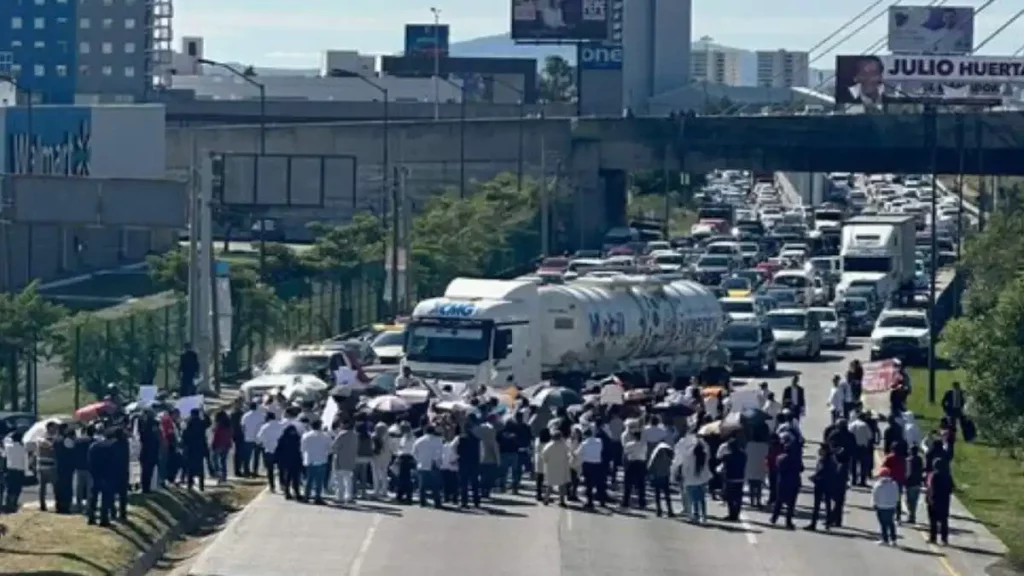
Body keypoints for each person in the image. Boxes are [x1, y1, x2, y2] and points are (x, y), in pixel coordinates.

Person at [676, 429, 712, 524]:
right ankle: (704, 517)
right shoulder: (704, 454)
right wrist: (701, 440)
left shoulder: (689, 455)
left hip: (691, 480)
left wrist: (682, 476)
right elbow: (707, 450)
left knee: (694, 499)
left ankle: (696, 516)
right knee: (702, 499)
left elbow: (685, 467)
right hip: (703, 479)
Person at [771, 436, 802, 530]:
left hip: (782, 481)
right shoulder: (796, 459)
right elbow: (801, 468)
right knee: (791, 503)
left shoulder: (779, 458)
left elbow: (777, 468)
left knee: (779, 501)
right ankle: (788, 521)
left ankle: (774, 518)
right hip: (794, 481)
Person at [806, 444, 839, 531]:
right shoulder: (828, 459)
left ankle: (815, 524)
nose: (820, 451)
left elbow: (822, 472)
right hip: (826, 484)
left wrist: (814, 477)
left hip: (822, 484)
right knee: (826, 504)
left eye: (822, 449)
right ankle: (826, 523)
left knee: (818, 505)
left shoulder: (826, 461)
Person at [412, 424, 443, 508]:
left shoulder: (419, 440)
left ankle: (422, 502)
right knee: (435, 485)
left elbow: (414, 453)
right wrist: (437, 461)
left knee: (422, 485)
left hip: (422, 464)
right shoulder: (438, 440)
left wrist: (419, 460)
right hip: (434, 464)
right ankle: (437, 502)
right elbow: (440, 453)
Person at [300, 420, 331, 504]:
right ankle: (317, 497)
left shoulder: (306, 435)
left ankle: (306, 496)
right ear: (320, 426)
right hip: (321, 459)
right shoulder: (326, 436)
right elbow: (329, 449)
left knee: (309, 479)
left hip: (310, 459)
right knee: (319, 480)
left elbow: (302, 448)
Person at [575, 426, 605, 508]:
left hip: (588, 464)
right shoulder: (599, 441)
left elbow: (577, 454)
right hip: (598, 464)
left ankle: (590, 502)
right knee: (599, 483)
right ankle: (602, 501)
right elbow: (601, 450)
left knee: (589, 484)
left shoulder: (584, 444)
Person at [926, 457, 954, 545]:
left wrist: (929, 498)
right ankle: (944, 539)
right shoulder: (948, 476)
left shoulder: (933, 475)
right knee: (944, 520)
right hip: (945, 500)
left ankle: (933, 538)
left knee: (933, 520)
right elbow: (951, 489)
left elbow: (931, 488)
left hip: (935, 499)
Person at [718, 437, 747, 521]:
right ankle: (736, 514)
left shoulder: (727, 456)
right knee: (738, 497)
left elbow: (721, 462)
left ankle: (731, 514)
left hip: (730, 478)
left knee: (730, 498)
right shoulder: (743, 455)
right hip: (740, 478)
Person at [331, 419, 358, 504]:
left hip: (340, 459)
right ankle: (349, 496)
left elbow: (334, 446)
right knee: (348, 479)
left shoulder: (342, 434)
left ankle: (340, 497)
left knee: (339, 479)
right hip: (351, 459)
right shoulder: (355, 435)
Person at [541, 430, 571, 507]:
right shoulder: (564, 446)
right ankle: (562, 501)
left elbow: (544, 457)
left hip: (551, 467)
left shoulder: (548, 446)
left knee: (550, 485)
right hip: (561, 467)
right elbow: (568, 455)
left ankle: (546, 499)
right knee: (562, 485)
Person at [872, 467, 900, 546]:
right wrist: (895, 503)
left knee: (883, 523)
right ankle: (893, 540)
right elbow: (897, 496)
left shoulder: (878, 484)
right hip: (891, 506)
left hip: (881, 506)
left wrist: (874, 504)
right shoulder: (894, 484)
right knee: (891, 523)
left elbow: (875, 495)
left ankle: (885, 539)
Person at [257, 412, 285, 492]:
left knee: (270, 469)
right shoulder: (281, 425)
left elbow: (259, 438)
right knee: (281, 468)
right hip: (280, 450)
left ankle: (272, 486)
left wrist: (263, 443)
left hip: (269, 450)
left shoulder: (265, 427)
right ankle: (282, 484)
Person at [456, 423, 482, 508]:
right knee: (475, 483)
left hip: (463, 463)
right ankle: (476, 501)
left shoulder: (461, 439)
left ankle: (464, 502)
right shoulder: (477, 439)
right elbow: (479, 452)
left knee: (464, 483)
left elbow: (458, 451)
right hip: (474, 463)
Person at [621, 428, 647, 509]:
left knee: (628, 484)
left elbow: (625, 452)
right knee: (641, 484)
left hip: (632, 463)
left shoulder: (630, 444)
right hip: (641, 464)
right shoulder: (644, 444)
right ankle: (642, 502)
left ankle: (625, 502)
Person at [647, 440, 674, 517]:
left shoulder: (656, 452)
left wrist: (649, 473)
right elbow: (672, 462)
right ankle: (670, 510)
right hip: (665, 475)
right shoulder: (669, 451)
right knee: (667, 494)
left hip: (657, 475)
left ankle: (659, 510)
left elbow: (651, 463)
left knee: (657, 494)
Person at [275, 424, 303, 500]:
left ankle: (296, 492)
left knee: (296, 478)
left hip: (295, 460)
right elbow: (278, 450)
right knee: (288, 478)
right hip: (287, 461)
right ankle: (287, 493)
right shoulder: (283, 439)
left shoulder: (297, 438)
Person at [2, 430, 27, 513]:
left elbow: (5, 440)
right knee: (17, 489)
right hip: (20, 471)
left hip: (10, 470)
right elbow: (25, 461)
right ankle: (13, 504)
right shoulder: (23, 448)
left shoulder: (9, 446)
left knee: (10, 489)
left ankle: (8, 504)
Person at [241, 402, 266, 477]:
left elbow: (243, 427)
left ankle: (246, 471)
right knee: (256, 456)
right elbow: (263, 426)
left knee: (247, 456)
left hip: (248, 438)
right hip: (258, 439)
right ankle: (255, 471)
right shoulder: (261, 415)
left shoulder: (245, 416)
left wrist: (245, 434)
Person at [849, 412, 874, 486]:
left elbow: (849, 434)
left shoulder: (852, 424)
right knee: (863, 465)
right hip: (863, 447)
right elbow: (870, 436)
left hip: (854, 447)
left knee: (853, 464)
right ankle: (862, 481)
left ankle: (853, 480)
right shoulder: (865, 425)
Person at [369, 422, 393, 499]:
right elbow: (390, 448)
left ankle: (376, 491)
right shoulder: (388, 437)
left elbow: (371, 447)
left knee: (376, 474)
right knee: (384, 474)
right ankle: (384, 491)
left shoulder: (373, 436)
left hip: (375, 457)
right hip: (385, 457)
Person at [210, 411, 233, 484]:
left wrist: (213, 445)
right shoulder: (228, 425)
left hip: (218, 445)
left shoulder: (219, 426)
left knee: (215, 460)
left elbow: (216, 436)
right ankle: (224, 475)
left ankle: (219, 474)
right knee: (223, 461)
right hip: (226, 445)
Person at [905, 444, 925, 524]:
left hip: (910, 483)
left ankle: (911, 516)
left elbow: (908, 472)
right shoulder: (920, 459)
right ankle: (913, 515)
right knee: (915, 500)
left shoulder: (908, 460)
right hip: (918, 482)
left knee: (909, 501)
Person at [533, 428, 551, 502]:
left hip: (538, 461)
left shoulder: (537, 440)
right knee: (546, 480)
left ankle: (538, 494)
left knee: (539, 480)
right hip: (547, 462)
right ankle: (546, 495)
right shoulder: (549, 442)